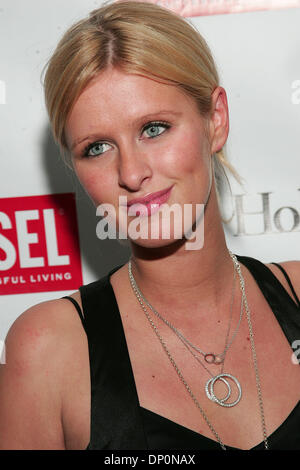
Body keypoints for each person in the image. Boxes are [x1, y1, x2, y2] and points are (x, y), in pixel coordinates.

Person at [0, 0, 299, 451]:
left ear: (215, 121)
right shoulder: (49, 348)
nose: (132, 172)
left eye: (154, 128)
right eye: (97, 147)